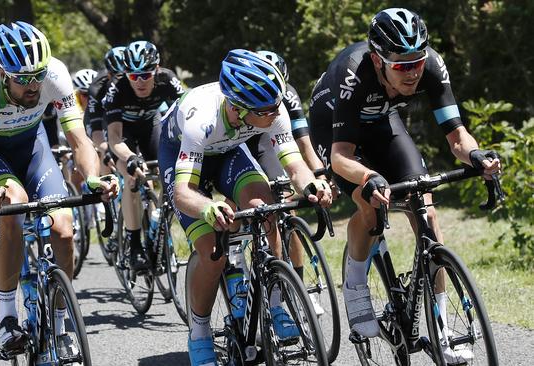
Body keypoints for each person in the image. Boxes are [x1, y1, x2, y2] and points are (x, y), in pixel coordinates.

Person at [307, 8, 501, 363]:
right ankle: (354, 284)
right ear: (379, 61)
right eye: (401, 66)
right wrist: (368, 178)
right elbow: (339, 158)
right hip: (333, 129)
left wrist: (476, 156)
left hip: (382, 121)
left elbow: (457, 136)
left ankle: (441, 328)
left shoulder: (430, 66)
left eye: (417, 62)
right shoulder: (353, 73)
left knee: (423, 203)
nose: (412, 72)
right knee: (371, 204)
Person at [158, 49, 332, 366]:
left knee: (267, 208)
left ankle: (276, 302)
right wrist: (209, 208)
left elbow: (293, 162)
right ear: (237, 108)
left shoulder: (269, 109)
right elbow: (184, 194)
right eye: (267, 110)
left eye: (277, 104)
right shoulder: (202, 119)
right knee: (213, 252)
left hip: (227, 153)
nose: (276, 113)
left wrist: (311, 185)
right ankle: (199, 332)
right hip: (181, 156)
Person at [0, 21, 117, 360]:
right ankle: (7, 318)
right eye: (23, 79)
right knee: (14, 206)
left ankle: (60, 324)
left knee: (63, 228)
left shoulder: (55, 74)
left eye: (38, 76)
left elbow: (79, 140)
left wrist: (91, 178)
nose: (33, 86)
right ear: (2, 73)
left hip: (33, 146)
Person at [247, 50, 329, 282]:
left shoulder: (289, 95)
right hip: (246, 143)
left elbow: (304, 141)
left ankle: (297, 283)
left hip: (273, 143)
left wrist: (320, 175)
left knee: (286, 204)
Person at [105, 40, 185, 270]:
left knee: (161, 174)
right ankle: (134, 244)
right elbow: (114, 137)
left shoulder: (168, 79)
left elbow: (187, 116)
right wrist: (130, 157)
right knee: (131, 177)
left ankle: (158, 229)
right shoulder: (117, 88)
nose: (139, 82)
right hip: (124, 133)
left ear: (157, 69)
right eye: (132, 76)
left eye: (145, 75)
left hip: (151, 125)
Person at [87, 46, 126, 175]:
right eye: (116, 76)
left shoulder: (137, 81)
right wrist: (106, 148)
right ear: (109, 75)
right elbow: (96, 131)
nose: (120, 81)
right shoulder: (96, 89)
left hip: (124, 114)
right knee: (106, 152)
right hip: (101, 115)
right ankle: (106, 190)